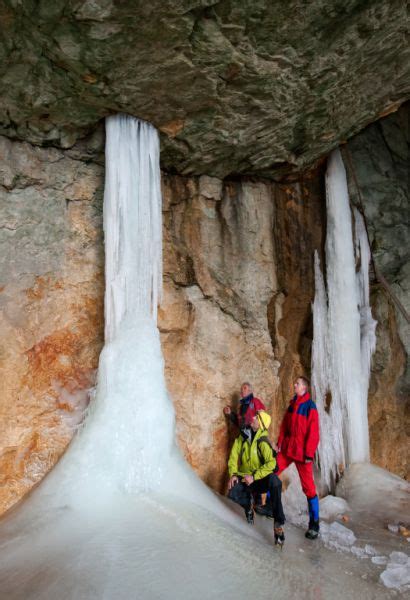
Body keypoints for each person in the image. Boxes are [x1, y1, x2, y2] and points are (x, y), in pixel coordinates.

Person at [227, 410, 286, 547]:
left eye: (257, 417)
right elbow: (233, 456)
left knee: (275, 482)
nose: (253, 418)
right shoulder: (243, 436)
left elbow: (272, 464)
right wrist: (233, 474)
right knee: (233, 492)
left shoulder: (263, 442)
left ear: (260, 424)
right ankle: (248, 508)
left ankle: (278, 522)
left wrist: (254, 476)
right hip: (244, 477)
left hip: (258, 479)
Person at [276, 376, 320, 539]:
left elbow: (314, 433)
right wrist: (279, 443)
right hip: (288, 449)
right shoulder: (292, 405)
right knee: (272, 470)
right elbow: (284, 427)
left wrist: (309, 454)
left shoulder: (310, 407)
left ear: (305, 388)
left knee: (309, 488)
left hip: (302, 454)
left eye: (298, 383)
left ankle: (314, 524)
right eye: (295, 383)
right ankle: (266, 505)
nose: (294, 384)